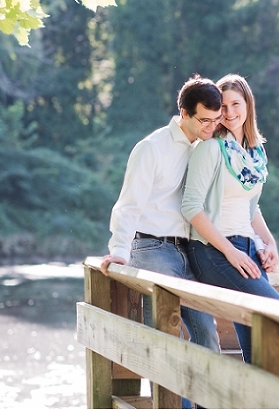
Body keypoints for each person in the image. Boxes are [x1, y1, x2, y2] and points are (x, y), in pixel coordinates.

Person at [101, 75, 222, 361]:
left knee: (207, 333)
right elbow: (129, 204)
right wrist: (119, 251)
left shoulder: (205, 149)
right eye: (204, 120)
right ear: (184, 113)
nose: (211, 127)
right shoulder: (152, 147)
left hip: (190, 251)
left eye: (216, 120)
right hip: (152, 248)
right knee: (168, 336)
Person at [181, 73, 279, 364]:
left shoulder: (254, 153)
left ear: (248, 104)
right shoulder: (211, 148)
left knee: (257, 343)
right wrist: (230, 252)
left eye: (235, 104)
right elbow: (191, 207)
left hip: (248, 250)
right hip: (214, 251)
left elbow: (251, 207)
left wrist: (269, 243)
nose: (229, 113)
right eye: (223, 107)